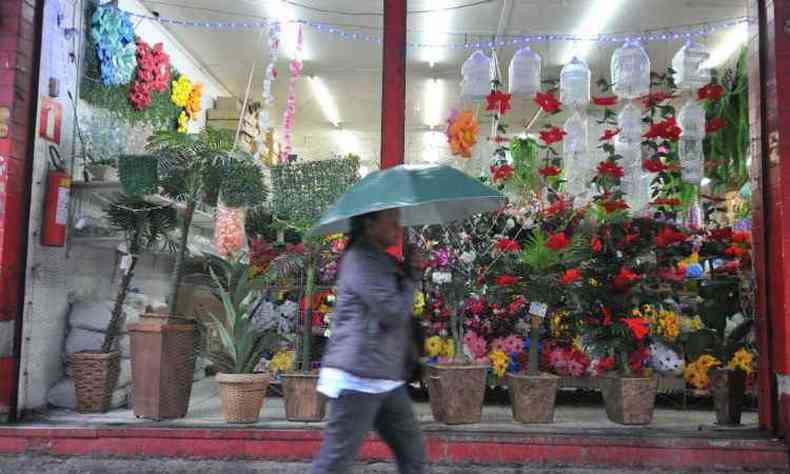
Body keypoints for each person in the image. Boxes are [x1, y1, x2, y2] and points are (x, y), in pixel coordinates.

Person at [310, 208, 426, 474]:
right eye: (392, 222)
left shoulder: (380, 260)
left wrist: (409, 271)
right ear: (369, 224)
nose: (398, 228)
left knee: (414, 458)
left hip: (385, 376)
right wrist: (410, 278)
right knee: (334, 463)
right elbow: (393, 313)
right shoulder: (360, 260)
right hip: (357, 377)